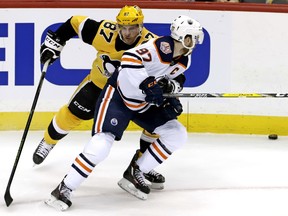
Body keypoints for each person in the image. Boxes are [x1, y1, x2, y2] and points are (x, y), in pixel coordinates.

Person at [45, 15, 204, 211]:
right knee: (101, 145)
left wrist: (170, 92)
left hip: (142, 102)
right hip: (118, 97)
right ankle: (64, 188)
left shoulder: (184, 60)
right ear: (184, 38)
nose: (195, 42)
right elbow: (130, 58)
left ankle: (136, 170)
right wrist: (146, 82)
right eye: (193, 38)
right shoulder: (161, 47)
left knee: (177, 133)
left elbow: (170, 80)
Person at [33, 5, 175, 189]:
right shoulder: (104, 32)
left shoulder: (152, 44)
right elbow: (75, 22)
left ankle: (141, 166)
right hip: (98, 85)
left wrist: (166, 85)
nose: (128, 32)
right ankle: (48, 141)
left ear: (141, 26)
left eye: (133, 27)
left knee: (156, 124)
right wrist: (57, 40)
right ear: (117, 26)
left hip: (131, 94)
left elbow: (167, 68)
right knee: (71, 115)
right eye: (123, 27)